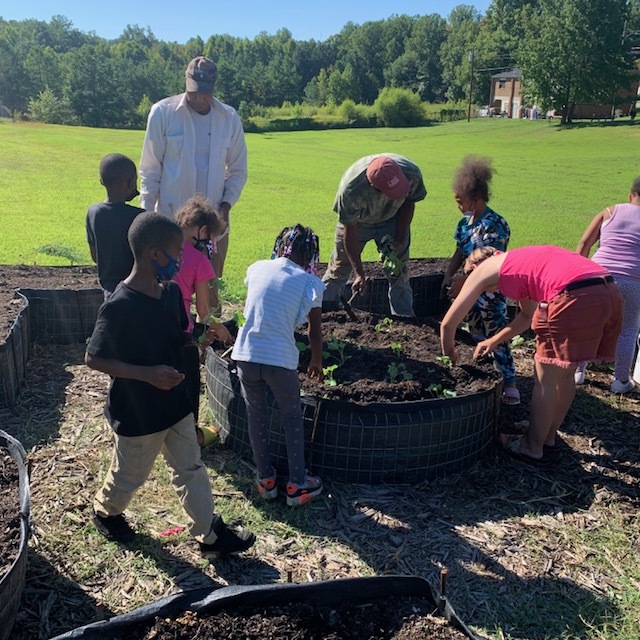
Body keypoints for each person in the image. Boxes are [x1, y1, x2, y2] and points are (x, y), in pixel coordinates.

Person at [85, 212, 255, 555]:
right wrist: (147, 374)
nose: (181, 259)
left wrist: (199, 337)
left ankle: (208, 534)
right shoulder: (119, 306)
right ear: (152, 254)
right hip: (138, 412)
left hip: (176, 403)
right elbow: (95, 358)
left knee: (190, 466)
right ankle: (106, 510)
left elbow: (180, 334)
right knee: (129, 475)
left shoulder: (171, 292)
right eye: (176, 252)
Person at [441, 245, 622, 465]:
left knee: (545, 379)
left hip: (572, 293)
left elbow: (448, 325)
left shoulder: (484, 268)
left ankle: (531, 447)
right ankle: (547, 436)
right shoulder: (518, 264)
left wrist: (450, 354)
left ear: (475, 265)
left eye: (469, 273)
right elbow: (528, 316)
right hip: (606, 288)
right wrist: (493, 341)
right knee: (564, 374)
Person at [139, 55, 247, 314]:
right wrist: (145, 218)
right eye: (193, 92)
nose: (198, 99)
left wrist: (225, 207)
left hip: (212, 228)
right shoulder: (163, 113)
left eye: (204, 94)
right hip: (170, 225)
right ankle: (169, 346)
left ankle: (207, 350)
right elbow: (150, 169)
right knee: (169, 292)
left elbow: (238, 170)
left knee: (210, 296)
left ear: (214, 88)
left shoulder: (228, 118)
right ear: (186, 83)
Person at [232, 225, 324, 506]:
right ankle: (297, 484)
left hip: (246, 355)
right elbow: (314, 331)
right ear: (309, 255)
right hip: (279, 360)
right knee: (291, 417)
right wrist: (316, 360)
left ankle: (266, 480)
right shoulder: (310, 283)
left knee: (256, 415)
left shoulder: (257, 267)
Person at [441, 155, 519, 405]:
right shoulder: (465, 224)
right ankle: (485, 370)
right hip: (470, 288)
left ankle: (510, 381)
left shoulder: (495, 225)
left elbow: (490, 262)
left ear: (475, 199)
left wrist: (463, 283)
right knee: (474, 327)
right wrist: (448, 274)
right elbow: (459, 251)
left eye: (460, 201)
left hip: (491, 289)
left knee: (495, 328)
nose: (459, 206)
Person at [322, 153, 427, 317]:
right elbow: (349, 233)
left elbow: (409, 203)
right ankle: (320, 312)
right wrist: (359, 273)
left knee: (398, 270)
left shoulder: (411, 174)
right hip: (357, 223)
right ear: (374, 188)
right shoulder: (351, 189)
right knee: (339, 270)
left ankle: (405, 318)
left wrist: (400, 238)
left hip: (393, 219)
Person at [173, 195, 233, 439]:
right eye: (210, 239)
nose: (209, 244)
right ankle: (190, 437)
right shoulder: (200, 261)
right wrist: (221, 330)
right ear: (203, 230)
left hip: (150, 326)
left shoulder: (161, 246)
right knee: (188, 385)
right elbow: (205, 314)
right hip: (181, 331)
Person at [574, 176, 640, 392]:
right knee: (628, 329)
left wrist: (578, 274)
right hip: (633, 281)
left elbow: (584, 243)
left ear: (631, 195)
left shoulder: (610, 211)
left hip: (598, 276)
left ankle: (577, 371)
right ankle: (621, 381)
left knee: (589, 322)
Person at [86, 153, 144, 299]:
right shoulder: (140, 216)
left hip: (110, 292)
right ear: (131, 183)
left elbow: (95, 257)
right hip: (138, 289)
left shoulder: (93, 213)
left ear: (101, 181)